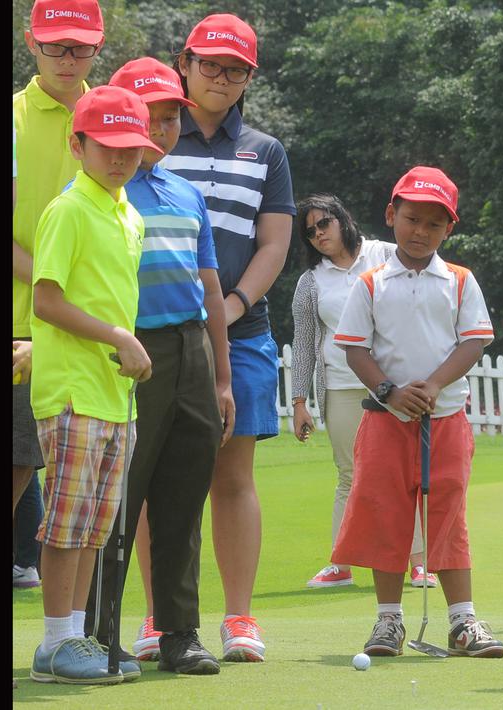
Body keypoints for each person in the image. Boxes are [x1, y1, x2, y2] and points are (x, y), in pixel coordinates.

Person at [78, 57, 236, 677]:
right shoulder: (103, 194)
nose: (164, 130)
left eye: (172, 118)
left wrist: (222, 377)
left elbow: (210, 285)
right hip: (129, 354)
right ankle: (98, 635)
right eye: (152, 118)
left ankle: (179, 633)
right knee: (119, 497)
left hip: (190, 346)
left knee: (182, 495)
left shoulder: (186, 192)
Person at [159, 13, 296, 663]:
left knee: (232, 475)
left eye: (235, 69)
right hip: (159, 329)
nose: (220, 78)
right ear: (184, 62)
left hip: (242, 331)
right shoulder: (152, 136)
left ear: (249, 78)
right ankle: (160, 619)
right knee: (159, 475)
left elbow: (274, 243)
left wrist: (233, 304)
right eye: (210, 64)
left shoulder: (264, 151)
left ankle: (239, 618)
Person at [331, 166, 503, 659]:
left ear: (448, 228)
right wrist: (389, 391)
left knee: (449, 516)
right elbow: (355, 349)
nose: (420, 230)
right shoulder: (370, 283)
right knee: (385, 513)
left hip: (445, 418)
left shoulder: (459, 280)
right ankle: (389, 621)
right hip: (386, 420)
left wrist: (433, 384)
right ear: (392, 216)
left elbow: (473, 342)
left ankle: (462, 621)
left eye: (433, 223)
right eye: (411, 218)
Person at [28, 84, 160, 685]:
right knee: (66, 521)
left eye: (131, 148)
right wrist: (118, 337)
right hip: (74, 391)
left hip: (114, 396)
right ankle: (56, 641)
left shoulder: (128, 214)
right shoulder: (69, 209)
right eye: (106, 146)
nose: (119, 159)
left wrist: (118, 343)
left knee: (94, 525)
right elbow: (46, 298)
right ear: (76, 144)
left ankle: (74, 638)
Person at [290, 194, 437, 589]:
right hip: (340, 385)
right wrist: (299, 402)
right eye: (310, 232)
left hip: (397, 385)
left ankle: (420, 562)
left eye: (324, 224)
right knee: (349, 474)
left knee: (407, 473)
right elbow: (304, 343)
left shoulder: (386, 254)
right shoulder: (311, 281)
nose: (318, 235)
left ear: (342, 219)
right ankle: (343, 562)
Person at [14, 0, 106, 527]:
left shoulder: (116, 118)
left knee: (84, 498)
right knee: (15, 469)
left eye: (80, 47)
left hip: (95, 331)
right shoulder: (10, 117)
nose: (67, 58)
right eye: (55, 45)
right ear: (32, 42)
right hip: (21, 323)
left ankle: (71, 616)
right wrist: (58, 287)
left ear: (98, 44)